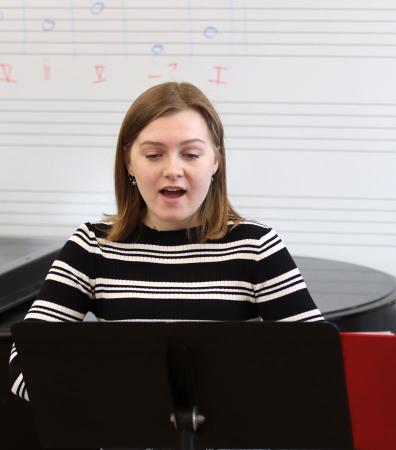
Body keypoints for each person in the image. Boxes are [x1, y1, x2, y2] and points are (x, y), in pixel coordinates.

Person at [9, 82, 323, 401]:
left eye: (191, 154)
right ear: (129, 161)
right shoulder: (92, 244)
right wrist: (109, 399)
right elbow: (23, 364)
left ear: (215, 161)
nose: (173, 170)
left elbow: (318, 364)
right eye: (153, 154)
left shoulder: (255, 245)